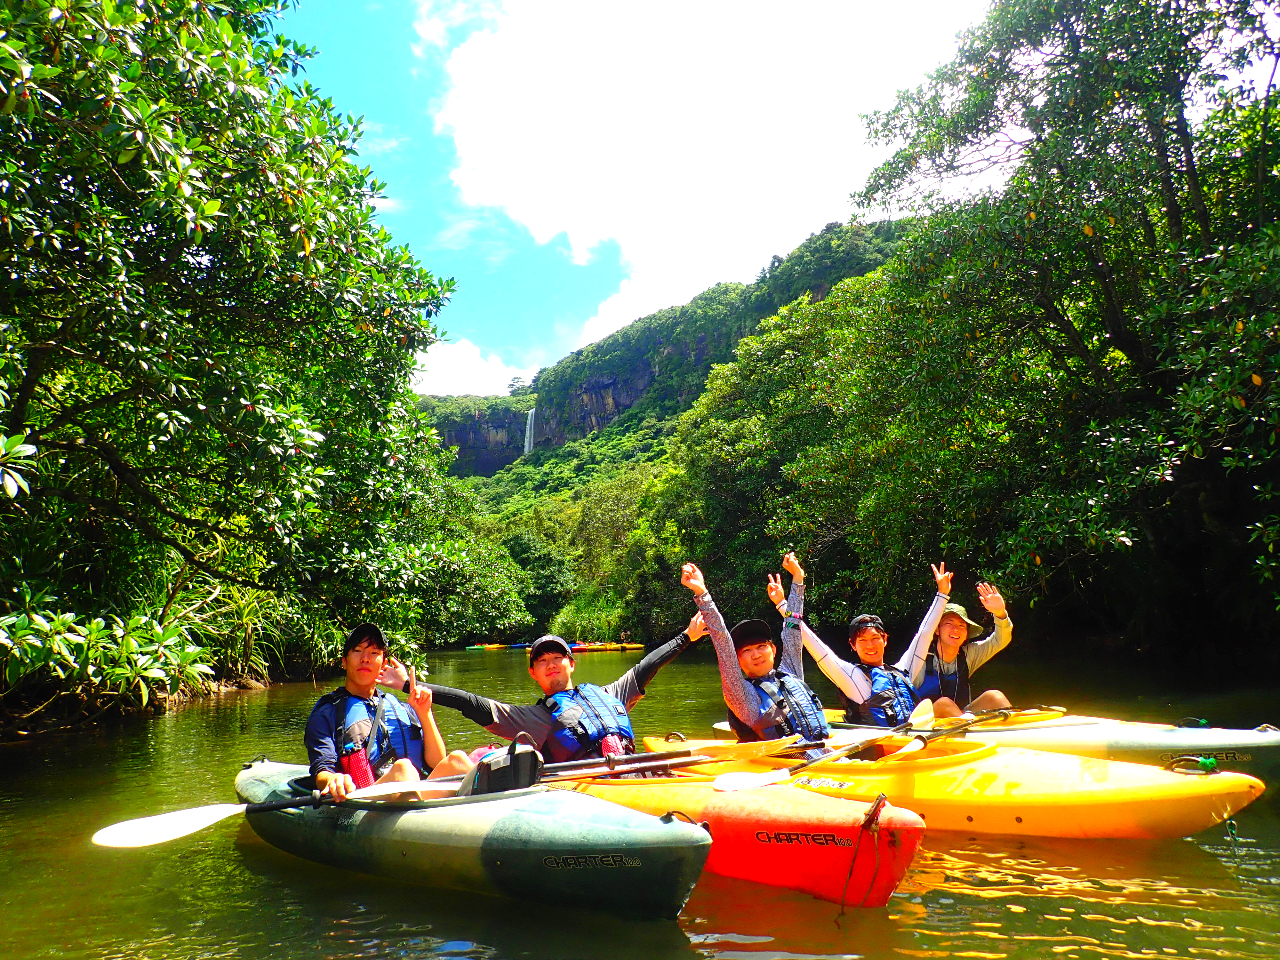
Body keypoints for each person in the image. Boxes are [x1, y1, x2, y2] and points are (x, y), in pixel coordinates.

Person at [383, 615, 708, 763]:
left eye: (558, 657)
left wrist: (687, 637)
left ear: (571, 663)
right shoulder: (533, 718)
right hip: (588, 786)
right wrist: (409, 685)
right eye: (542, 661)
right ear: (533, 673)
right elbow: (471, 703)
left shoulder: (609, 694)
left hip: (632, 771)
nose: (551, 663)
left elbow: (647, 667)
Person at [304, 623, 473, 802]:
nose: (365, 658)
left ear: (383, 663)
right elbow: (321, 770)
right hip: (367, 802)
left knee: (457, 760)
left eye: (374, 653)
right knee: (404, 770)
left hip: (416, 797)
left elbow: (437, 762)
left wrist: (425, 713)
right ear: (344, 661)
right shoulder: (327, 712)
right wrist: (333, 779)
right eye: (358, 651)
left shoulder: (401, 707)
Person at [679, 554, 830, 744]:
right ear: (738, 661)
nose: (756, 654)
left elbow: (792, 630)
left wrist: (798, 580)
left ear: (773, 650)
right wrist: (702, 593)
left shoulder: (790, 673)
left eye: (761, 647)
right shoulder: (743, 696)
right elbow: (722, 641)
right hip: (787, 762)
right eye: (747, 651)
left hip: (823, 750)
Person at [798, 563, 953, 727]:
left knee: (945, 703)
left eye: (874, 638)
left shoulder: (903, 671)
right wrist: (783, 606)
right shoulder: (851, 677)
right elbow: (814, 646)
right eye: (862, 641)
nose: (869, 646)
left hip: (909, 737)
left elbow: (925, 633)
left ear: (885, 639)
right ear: (853, 645)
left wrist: (942, 594)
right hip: (877, 747)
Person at [917, 583, 1013, 717]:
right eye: (949, 623)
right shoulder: (919, 658)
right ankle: (971, 732)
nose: (955, 629)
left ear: (966, 633)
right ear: (937, 629)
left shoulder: (968, 654)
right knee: (944, 703)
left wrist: (1000, 613)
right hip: (926, 724)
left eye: (961, 625)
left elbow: (1000, 640)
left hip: (960, 717)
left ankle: (1017, 730)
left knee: (994, 696)